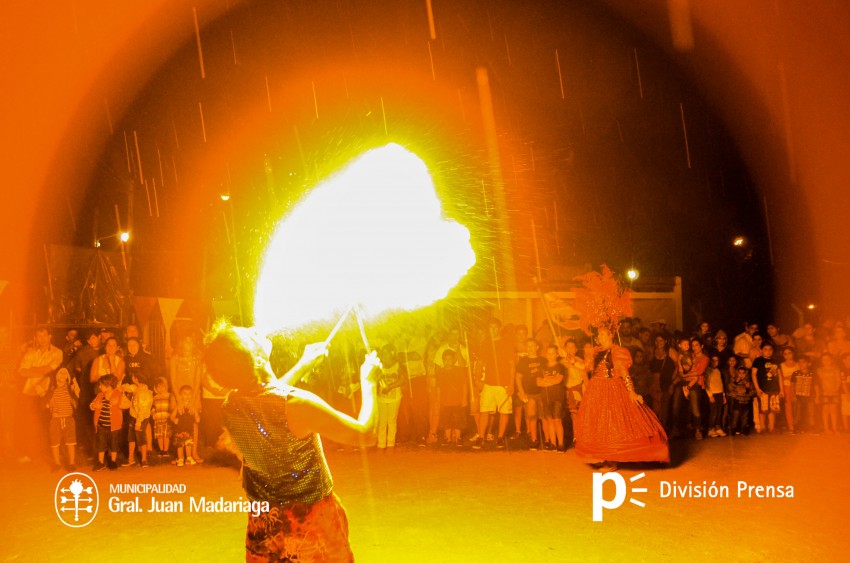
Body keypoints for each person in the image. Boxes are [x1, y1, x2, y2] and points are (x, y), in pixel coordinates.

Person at [203, 321, 379, 562]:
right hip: (309, 526)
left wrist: (302, 365)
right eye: (248, 335)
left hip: (265, 526)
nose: (255, 330)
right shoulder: (299, 405)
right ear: (257, 360)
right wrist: (369, 383)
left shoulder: (230, 405)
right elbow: (366, 434)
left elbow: (267, 398)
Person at [575, 326, 669, 471]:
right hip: (596, 390)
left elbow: (624, 373)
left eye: (603, 334)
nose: (600, 336)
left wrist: (631, 391)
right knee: (599, 424)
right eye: (599, 334)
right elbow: (585, 367)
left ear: (610, 335)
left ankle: (613, 460)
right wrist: (568, 357)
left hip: (612, 389)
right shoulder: (595, 351)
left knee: (614, 423)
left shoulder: (617, 351)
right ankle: (603, 456)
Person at [17, 327, 63, 463]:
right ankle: (30, 453)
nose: (42, 339)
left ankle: (51, 454)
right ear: (35, 338)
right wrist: (42, 370)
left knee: (49, 423)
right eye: (39, 336)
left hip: (48, 392)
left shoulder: (57, 352)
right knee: (29, 423)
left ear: (50, 336)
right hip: (29, 392)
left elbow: (50, 369)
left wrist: (32, 369)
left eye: (44, 336)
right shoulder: (30, 352)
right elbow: (22, 371)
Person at [90, 374, 130, 471]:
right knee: (101, 444)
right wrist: (94, 406)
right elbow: (91, 404)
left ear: (108, 386)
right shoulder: (100, 395)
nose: (99, 387)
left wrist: (118, 403)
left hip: (114, 426)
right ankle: (100, 462)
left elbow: (128, 404)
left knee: (113, 444)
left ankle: (113, 461)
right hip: (101, 425)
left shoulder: (119, 395)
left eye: (101, 385)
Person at [44, 367, 80, 471]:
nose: (63, 375)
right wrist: (48, 405)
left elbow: (77, 395)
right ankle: (57, 464)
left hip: (68, 418)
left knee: (71, 441)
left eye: (65, 373)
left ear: (68, 377)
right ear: (56, 376)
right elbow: (46, 402)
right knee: (55, 442)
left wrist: (74, 382)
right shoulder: (52, 388)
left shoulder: (70, 388)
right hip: (55, 419)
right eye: (60, 373)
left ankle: (72, 463)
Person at [515, 338, 544, 449]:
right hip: (529, 392)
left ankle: (548, 440)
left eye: (532, 345)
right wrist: (521, 392)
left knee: (544, 417)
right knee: (532, 416)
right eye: (528, 346)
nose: (530, 348)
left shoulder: (543, 360)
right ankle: (534, 439)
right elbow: (518, 377)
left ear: (537, 347)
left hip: (542, 392)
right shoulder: (523, 361)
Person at [435, 349, 468, 446]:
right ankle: (447, 437)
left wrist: (464, 398)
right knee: (446, 419)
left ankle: (458, 437)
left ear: (454, 360)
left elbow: (464, 385)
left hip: (457, 400)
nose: (448, 361)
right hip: (445, 401)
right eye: (445, 359)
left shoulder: (459, 370)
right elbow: (438, 387)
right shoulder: (441, 372)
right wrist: (438, 400)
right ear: (442, 360)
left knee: (458, 419)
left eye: (450, 359)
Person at [375, 344, 404, 452]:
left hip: (395, 397)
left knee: (391, 421)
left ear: (392, 353)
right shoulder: (379, 366)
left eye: (386, 353)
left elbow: (402, 380)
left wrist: (390, 387)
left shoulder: (397, 365)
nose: (384, 355)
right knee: (382, 421)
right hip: (381, 396)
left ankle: (390, 444)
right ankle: (381, 444)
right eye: (383, 353)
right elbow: (374, 379)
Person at [537, 344, 566, 451]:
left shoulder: (560, 367)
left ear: (557, 355)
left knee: (557, 420)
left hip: (557, 397)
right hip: (546, 397)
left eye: (553, 353)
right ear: (546, 354)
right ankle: (553, 443)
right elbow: (538, 382)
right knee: (549, 420)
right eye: (548, 353)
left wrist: (546, 380)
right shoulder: (542, 367)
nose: (550, 355)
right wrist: (550, 380)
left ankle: (561, 444)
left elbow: (558, 380)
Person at [123, 371, 153, 467]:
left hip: (141, 419)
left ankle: (144, 459)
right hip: (133, 416)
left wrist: (138, 422)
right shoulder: (136, 388)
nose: (131, 378)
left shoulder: (144, 393)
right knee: (131, 438)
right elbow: (127, 387)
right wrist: (120, 381)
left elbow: (142, 409)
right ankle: (130, 458)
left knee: (141, 438)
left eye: (133, 376)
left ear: (137, 378)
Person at [751, 342, 780, 433]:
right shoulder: (758, 360)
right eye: (765, 349)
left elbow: (779, 375)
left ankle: (771, 427)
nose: (768, 351)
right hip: (762, 388)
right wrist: (757, 388)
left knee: (773, 409)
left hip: (774, 388)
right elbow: (753, 374)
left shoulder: (775, 361)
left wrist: (781, 389)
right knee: (762, 409)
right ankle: (763, 427)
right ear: (761, 350)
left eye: (770, 349)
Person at [170, 384, 201, 466]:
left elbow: (197, 416)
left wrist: (197, 418)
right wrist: (174, 419)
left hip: (189, 429)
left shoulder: (193, 407)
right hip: (179, 430)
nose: (187, 396)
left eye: (189, 394)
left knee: (188, 444)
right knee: (180, 445)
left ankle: (188, 458)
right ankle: (180, 458)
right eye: (185, 394)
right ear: (180, 395)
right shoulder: (178, 406)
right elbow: (171, 416)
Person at [816, 352, 842, 434]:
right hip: (824, 393)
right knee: (825, 410)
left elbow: (839, 381)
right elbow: (818, 382)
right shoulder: (819, 370)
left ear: (831, 360)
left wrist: (834, 390)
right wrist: (822, 391)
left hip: (834, 393)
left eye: (828, 359)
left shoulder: (836, 369)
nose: (826, 361)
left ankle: (835, 428)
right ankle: (826, 428)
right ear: (821, 361)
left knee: (834, 410)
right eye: (824, 360)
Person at [727, 364, 756, 435]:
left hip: (746, 401)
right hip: (737, 401)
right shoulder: (734, 381)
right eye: (740, 373)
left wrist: (747, 391)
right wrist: (737, 391)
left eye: (743, 373)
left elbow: (753, 391)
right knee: (735, 416)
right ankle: (733, 429)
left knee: (745, 416)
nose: (741, 375)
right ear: (737, 373)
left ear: (746, 373)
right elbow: (730, 390)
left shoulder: (748, 382)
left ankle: (744, 429)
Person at [151, 376, 174, 459]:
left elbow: (172, 406)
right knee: (159, 436)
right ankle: (161, 450)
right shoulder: (155, 397)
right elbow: (153, 407)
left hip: (166, 419)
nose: (160, 389)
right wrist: (153, 414)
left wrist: (170, 414)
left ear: (166, 386)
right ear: (156, 388)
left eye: (162, 386)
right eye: (158, 387)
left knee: (166, 435)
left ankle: (166, 450)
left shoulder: (169, 396)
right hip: (157, 420)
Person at [704, 354, 726, 437]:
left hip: (720, 394)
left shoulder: (718, 371)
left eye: (717, 360)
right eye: (713, 360)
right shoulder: (707, 371)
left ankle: (718, 427)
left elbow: (721, 384)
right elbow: (706, 384)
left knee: (719, 412)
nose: (715, 362)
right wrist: (710, 395)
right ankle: (711, 429)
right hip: (713, 394)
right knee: (714, 413)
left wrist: (723, 395)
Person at [778, 346, 799, 434]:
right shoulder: (781, 365)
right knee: (788, 407)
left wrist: (790, 377)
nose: (787, 355)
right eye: (785, 354)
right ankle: (791, 426)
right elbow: (780, 377)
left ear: (793, 353)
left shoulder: (798, 364)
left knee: (797, 407)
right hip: (786, 387)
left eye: (789, 353)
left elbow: (799, 375)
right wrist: (790, 377)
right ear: (783, 355)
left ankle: (797, 424)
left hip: (797, 387)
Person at [791, 356, 815, 433]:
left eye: (803, 362)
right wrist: (793, 396)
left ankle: (811, 428)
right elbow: (792, 385)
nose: (801, 364)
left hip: (809, 396)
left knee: (810, 412)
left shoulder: (812, 374)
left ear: (808, 363)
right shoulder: (795, 373)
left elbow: (816, 385)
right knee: (797, 413)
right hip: (798, 396)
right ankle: (796, 428)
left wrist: (817, 396)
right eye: (799, 362)